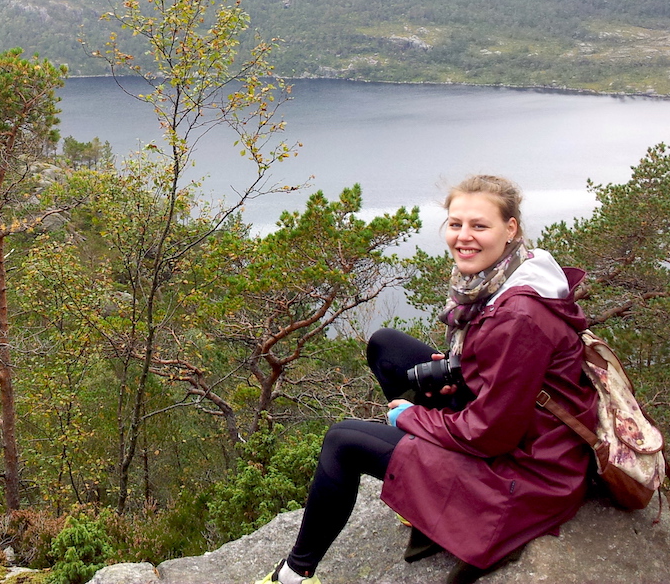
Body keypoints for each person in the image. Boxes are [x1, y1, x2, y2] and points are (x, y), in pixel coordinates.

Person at [256, 175, 599, 584]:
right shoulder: (514, 275)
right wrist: (466, 371)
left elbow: (491, 434)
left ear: (510, 229)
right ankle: (422, 492)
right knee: (387, 348)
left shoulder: (519, 314)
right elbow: (507, 374)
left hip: (527, 471)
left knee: (343, 442)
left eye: (479, 226)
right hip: (524, 428)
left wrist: (411, 418)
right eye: (456, 224)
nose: (463, 237)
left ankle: (294, 575)